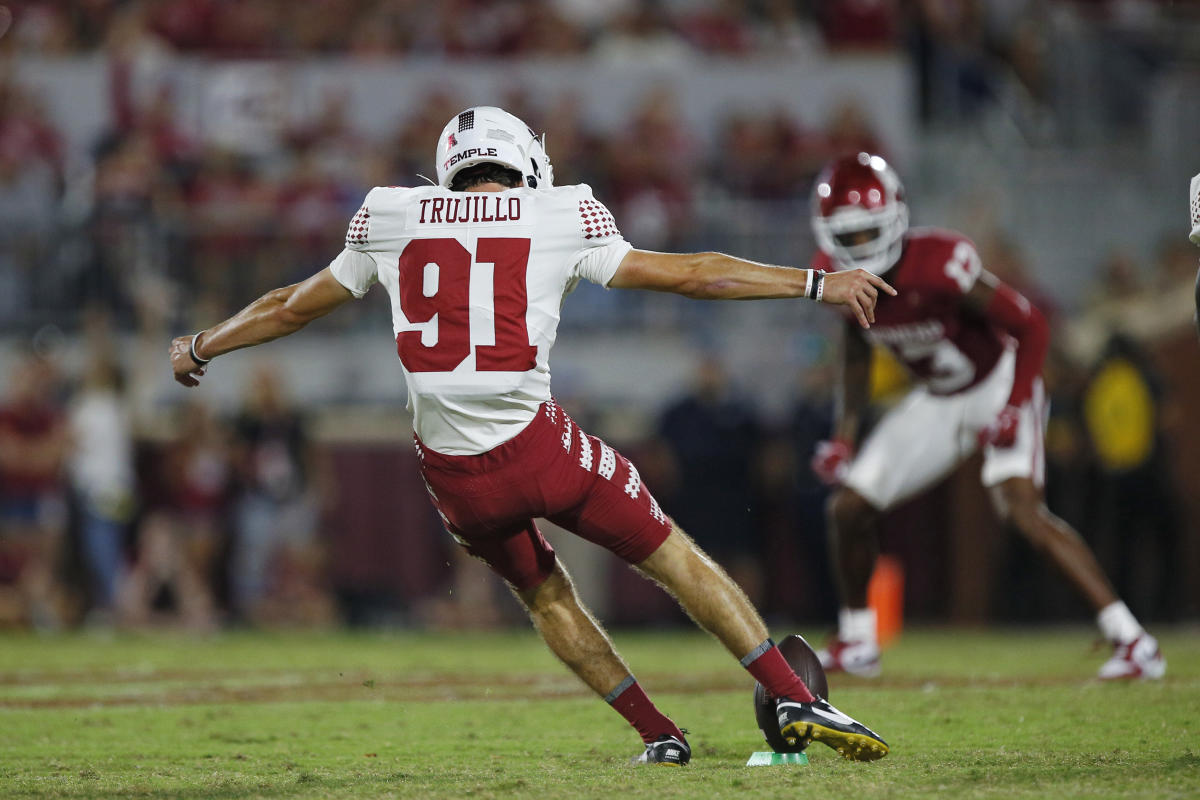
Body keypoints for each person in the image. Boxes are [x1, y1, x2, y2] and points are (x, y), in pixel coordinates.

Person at [170, 106, 894, 764]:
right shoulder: (561, 210)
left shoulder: (392, 214)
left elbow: (289, 306)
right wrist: (811, 283)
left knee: (546, 597)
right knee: (672, 555)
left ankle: (660, 736)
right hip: (538, 449)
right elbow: (695, 276)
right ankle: (791, 692)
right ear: (525, 162)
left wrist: (203, 344)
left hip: (452, 477)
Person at [808, 152, 1165, 680]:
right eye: (848, 236)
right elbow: (857, 348)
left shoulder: (939, 263)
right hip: (938, 397)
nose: (858, 248)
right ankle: (859, 641)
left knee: (1022, 509)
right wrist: (845, 436)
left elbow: (1033, 327)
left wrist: (1016, 404)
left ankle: (1132, 640)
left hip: (999, 381)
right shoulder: (828, 275)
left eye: (868, 234)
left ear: (896, 219)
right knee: (848, 508)